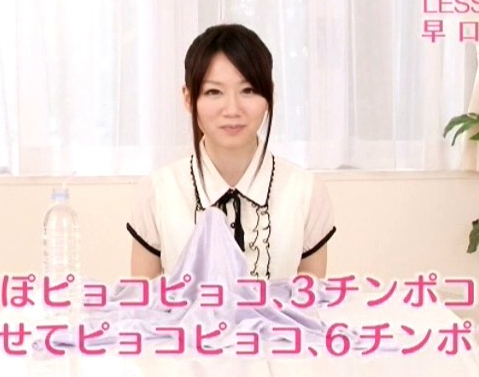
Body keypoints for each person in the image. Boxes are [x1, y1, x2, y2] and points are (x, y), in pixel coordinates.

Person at [127, 24, 335, 280]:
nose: (232, 109)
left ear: (270, 95)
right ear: (188, 99)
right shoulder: (157, 192)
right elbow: (141, 299)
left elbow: (311, 300)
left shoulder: (306, 192)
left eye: (248, 90)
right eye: (214, 92)